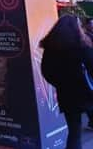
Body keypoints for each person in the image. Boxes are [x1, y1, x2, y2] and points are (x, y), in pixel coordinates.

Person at [41, 15, 93, 149]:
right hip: (87, 93)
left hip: (66, 96)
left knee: (74, 133)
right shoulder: (82, 46)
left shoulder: (50, 49)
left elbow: (46, 73)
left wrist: (61, 84)